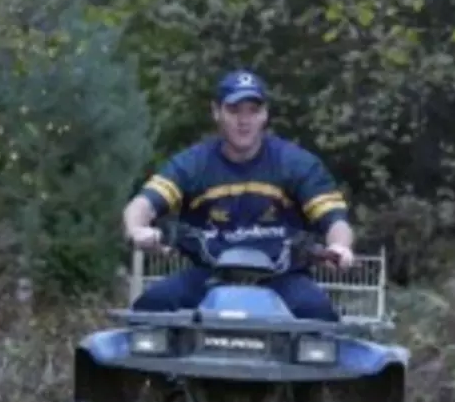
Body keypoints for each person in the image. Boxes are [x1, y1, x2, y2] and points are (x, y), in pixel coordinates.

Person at [122, 69, 356, 322]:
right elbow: (143, 203)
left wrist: (340, 247)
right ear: (216, 112)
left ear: (265, 114)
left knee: (320, 315)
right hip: (209, 277)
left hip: (283, 279)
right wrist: (136, 229)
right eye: (234, 111)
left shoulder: (297, 164)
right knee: (150, 308)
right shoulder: (192, 164)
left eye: (253, 111)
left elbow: (335, 219)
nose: (244, 121)